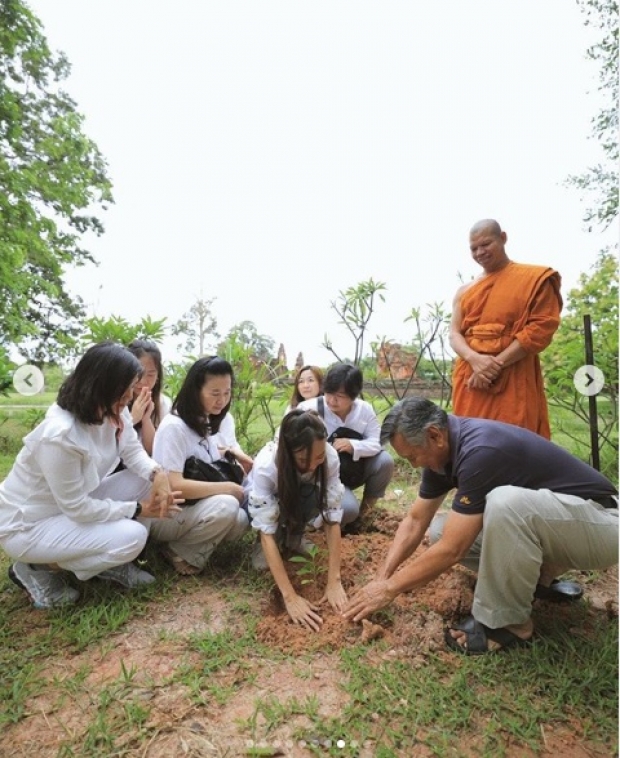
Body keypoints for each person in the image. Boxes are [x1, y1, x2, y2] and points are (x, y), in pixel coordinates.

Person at [343, 397, 618, 655]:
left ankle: (508, 624)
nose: (414, 466)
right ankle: (537, 580)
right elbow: (416, 520)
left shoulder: (480, 451)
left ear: (435, 435)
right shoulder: (443, 454)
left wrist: (390, 590)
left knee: (505, 503)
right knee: (440, 529)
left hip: (601, 523)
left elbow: (454, 550)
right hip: (563, 524)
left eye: (412, 457)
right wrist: (383, 576)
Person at [0, 342, 182, 610]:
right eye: (129, 387)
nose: (133, 394)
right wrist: (138, 509)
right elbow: (77, 508)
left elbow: (132, 451)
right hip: (28, 524)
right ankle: (35, 567)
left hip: (69, 507)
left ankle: (107, 562)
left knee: (144, 480)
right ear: (102, 385)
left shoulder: (112, 411)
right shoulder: (60, 435)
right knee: (131, 537)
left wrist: (158, 474)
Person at [450, 219, 562, 439]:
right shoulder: (465, 290)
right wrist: (474, 359)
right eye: (474, 248)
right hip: (471, 378)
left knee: (516, 441)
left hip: (513, 374)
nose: (480, 252)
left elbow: (539, 329)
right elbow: (454, 334)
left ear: (503, 238)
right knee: (472, 440)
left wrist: (493, 365)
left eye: (486, 244)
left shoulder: (533, 279)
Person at [248, 409, 347, 631]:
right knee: (265, 544)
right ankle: (270, 542)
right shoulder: (266, 466)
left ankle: (295, 535)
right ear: (288, 451)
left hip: (301, 496)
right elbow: (265, 528)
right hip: (273, 501)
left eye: (318, 458)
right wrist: (290, 597)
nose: (313, 466)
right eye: (303, 459)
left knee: (313, 492)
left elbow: (332, 519)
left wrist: (334, 581)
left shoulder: (330, 458)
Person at [151, 356, 251, 576]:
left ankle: (185, 545)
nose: (222, 400)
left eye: (227, 393)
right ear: (195, 391)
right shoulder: (174, 428)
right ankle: (177, 551)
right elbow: (173, 484)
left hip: (192, 506)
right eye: (215, 393)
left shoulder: (204, 421)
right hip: (166, 512)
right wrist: (226, 487)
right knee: (226, 506)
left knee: (240, 521)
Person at [297, 363, 394, 531]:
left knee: (385, 460)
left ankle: (364, 516)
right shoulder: (307, 409)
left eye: (339, 396)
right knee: (347, 510)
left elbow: (377, 442)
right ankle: (317, 522)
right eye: (329, 393)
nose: (332, 400)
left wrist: (353, 445)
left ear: (353, 395)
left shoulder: (364, 410)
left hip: (352, 470)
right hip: (322, 476)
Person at [126, 339, 172, 455]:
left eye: (151, 375)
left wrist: (146, 419)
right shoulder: (115, 401)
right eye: (138, 374)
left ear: (158, 376)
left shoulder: (163, 404)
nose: (143, 381)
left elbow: (154, 451)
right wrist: (132, 419)